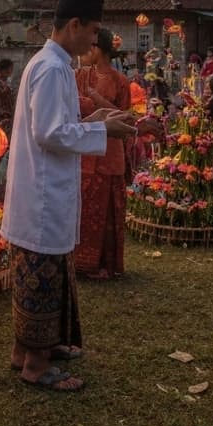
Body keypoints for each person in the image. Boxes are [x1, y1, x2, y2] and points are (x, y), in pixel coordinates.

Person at [2, 0, 137, 392]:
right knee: (40, 278)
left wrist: (93, 118)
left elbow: (57, 123)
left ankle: (24, 351)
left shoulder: (54, 66)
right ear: (74, 25)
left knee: (41, 276)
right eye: (93, 32)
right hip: (42, 196)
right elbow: (49, 133)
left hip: (45, 191)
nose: (95, 43)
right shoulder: (50, 69)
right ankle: (36, 365)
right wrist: (101, 131)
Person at [74, 27, 132, 280]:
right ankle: (81, 263)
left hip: (110, 151)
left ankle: (105, 264)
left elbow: (126, 116)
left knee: (108, 208)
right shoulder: (78, 76)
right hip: (85, 149)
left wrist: (97, 99)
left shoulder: (121, 81)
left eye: (92, 47)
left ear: (101, 50)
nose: (87, 51)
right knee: (85, 208)